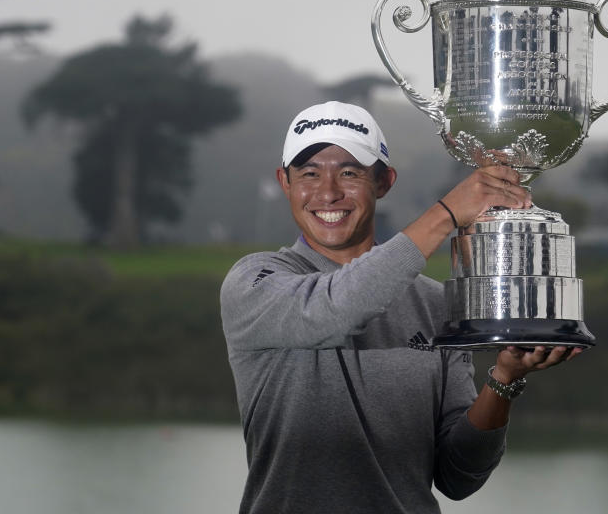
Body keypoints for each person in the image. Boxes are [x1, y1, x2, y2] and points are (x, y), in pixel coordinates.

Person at [220, 101, 582, 513]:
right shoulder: (254, 281)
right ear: (284, 182)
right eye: (309, 174)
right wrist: (446, 214)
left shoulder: (437, 304)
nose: (328, 192)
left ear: (384, 182)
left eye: (350, 173)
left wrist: (504, 378)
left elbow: (457, 476)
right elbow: (337, 309)